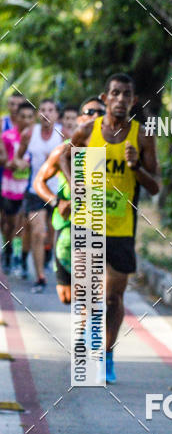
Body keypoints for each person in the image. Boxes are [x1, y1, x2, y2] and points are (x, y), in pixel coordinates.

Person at [65, 75, 159, 382]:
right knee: (87, 292)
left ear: (133, 101)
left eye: (126, 95)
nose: (120, 99)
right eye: (115, 93)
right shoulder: (88, 131)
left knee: (112, 298)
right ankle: (86, 345)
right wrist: (74, 183)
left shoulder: (141, 136)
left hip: (121, 228)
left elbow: (155, 186)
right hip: (88, 222)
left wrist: (135, 168)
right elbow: (63, 157)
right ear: (105, 98)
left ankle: (107, 353)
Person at [33, 98, 104, 303]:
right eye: (90, 112)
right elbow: (39, 181)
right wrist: (57, 202)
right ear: (81, 118)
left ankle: (87, 330)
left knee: (90, 294)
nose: (95, 117)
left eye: (100, 113)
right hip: (66, 228)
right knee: (66, 297)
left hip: (98, 229)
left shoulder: (113, 150)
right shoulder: (63, 151)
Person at [19, 98, 63, 291]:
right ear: (39, 115)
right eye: (43, 110)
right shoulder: (29, 134)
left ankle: (47, 254)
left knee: (51, 233)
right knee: (38, 231)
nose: (46, 113)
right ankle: (40, 277)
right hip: (35, 191)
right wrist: (20, 163)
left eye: (50, 109)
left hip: (57, 191)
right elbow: (18, 158)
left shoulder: (65, 135)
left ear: (56, 115)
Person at [1, 101, 34, 274]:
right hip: (9, 187)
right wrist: (12, 163)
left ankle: (21, 259)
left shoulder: (35, 138)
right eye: (23, 117)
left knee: (25, 223)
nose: (27, 120)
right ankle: (8, 251)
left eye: (30, 117)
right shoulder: (7, 136)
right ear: (17, 118)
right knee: (9, 224)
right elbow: (3, 159)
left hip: (28, 189)